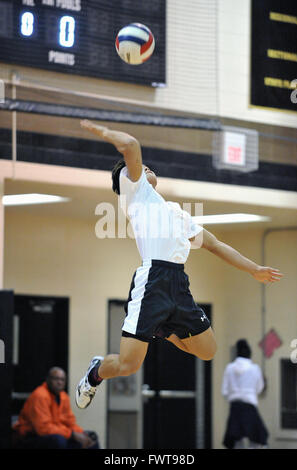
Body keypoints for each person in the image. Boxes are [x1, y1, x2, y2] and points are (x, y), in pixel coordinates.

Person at [75, 120, 283, 410]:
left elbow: (216, 245)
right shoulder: (134, 194)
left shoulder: (174, 212)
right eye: (143, 169)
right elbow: (132, 147)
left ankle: (163, 329)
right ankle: (96, 372)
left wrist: (253, 269)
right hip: (153, 282)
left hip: (178, 282)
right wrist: (106, 134)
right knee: (128, 365)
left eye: (148, 169)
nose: (148, 170)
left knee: (208, 350)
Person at [13, 367, 100, 449]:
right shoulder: (40, 395)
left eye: (62, 379)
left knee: (91, 438)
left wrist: (82, 434)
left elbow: (69, 422)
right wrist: (72, 434)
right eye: (56, 379)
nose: (59, 382)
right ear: (48, 379)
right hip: (30, 436)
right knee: (59, 441)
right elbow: (43, 429)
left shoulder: (63, 396)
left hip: (55, 433)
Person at [222, 339, 269, 449]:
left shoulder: (229, 368)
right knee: (259, 439)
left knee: (236, 442)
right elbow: (259, 389)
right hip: (250, 408)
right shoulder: (255, 369)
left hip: (235, 408)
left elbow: (224, 391)